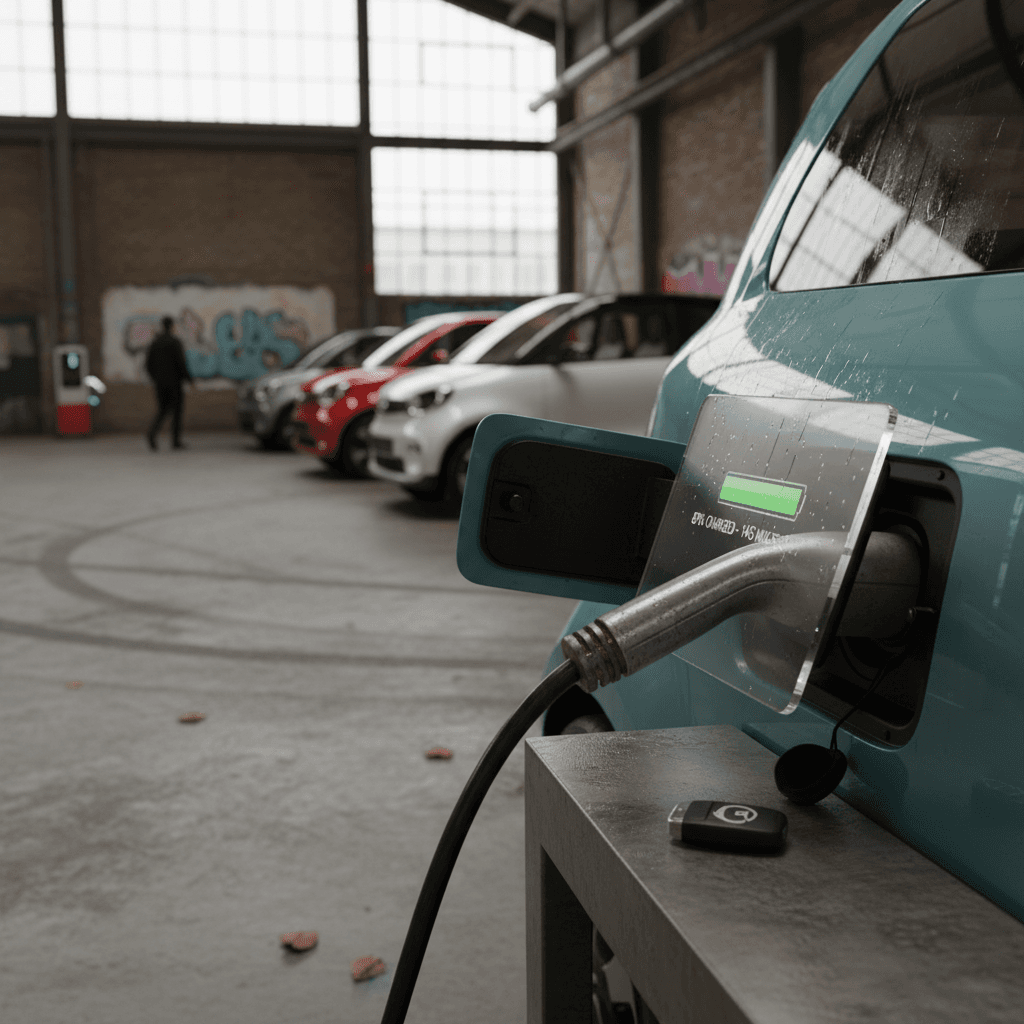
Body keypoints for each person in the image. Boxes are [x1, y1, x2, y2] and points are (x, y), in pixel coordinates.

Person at [145, 316, 193, 450]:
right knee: (177, 412)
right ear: (172, 326)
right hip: (174, 383)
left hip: (160, 383)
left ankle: (152, 433)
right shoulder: (174, 342)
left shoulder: (155, 343)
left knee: (163, 410)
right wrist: (189, 379)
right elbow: (180, 363)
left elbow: (148, 365)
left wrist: (156, 378)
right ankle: (175, 441)